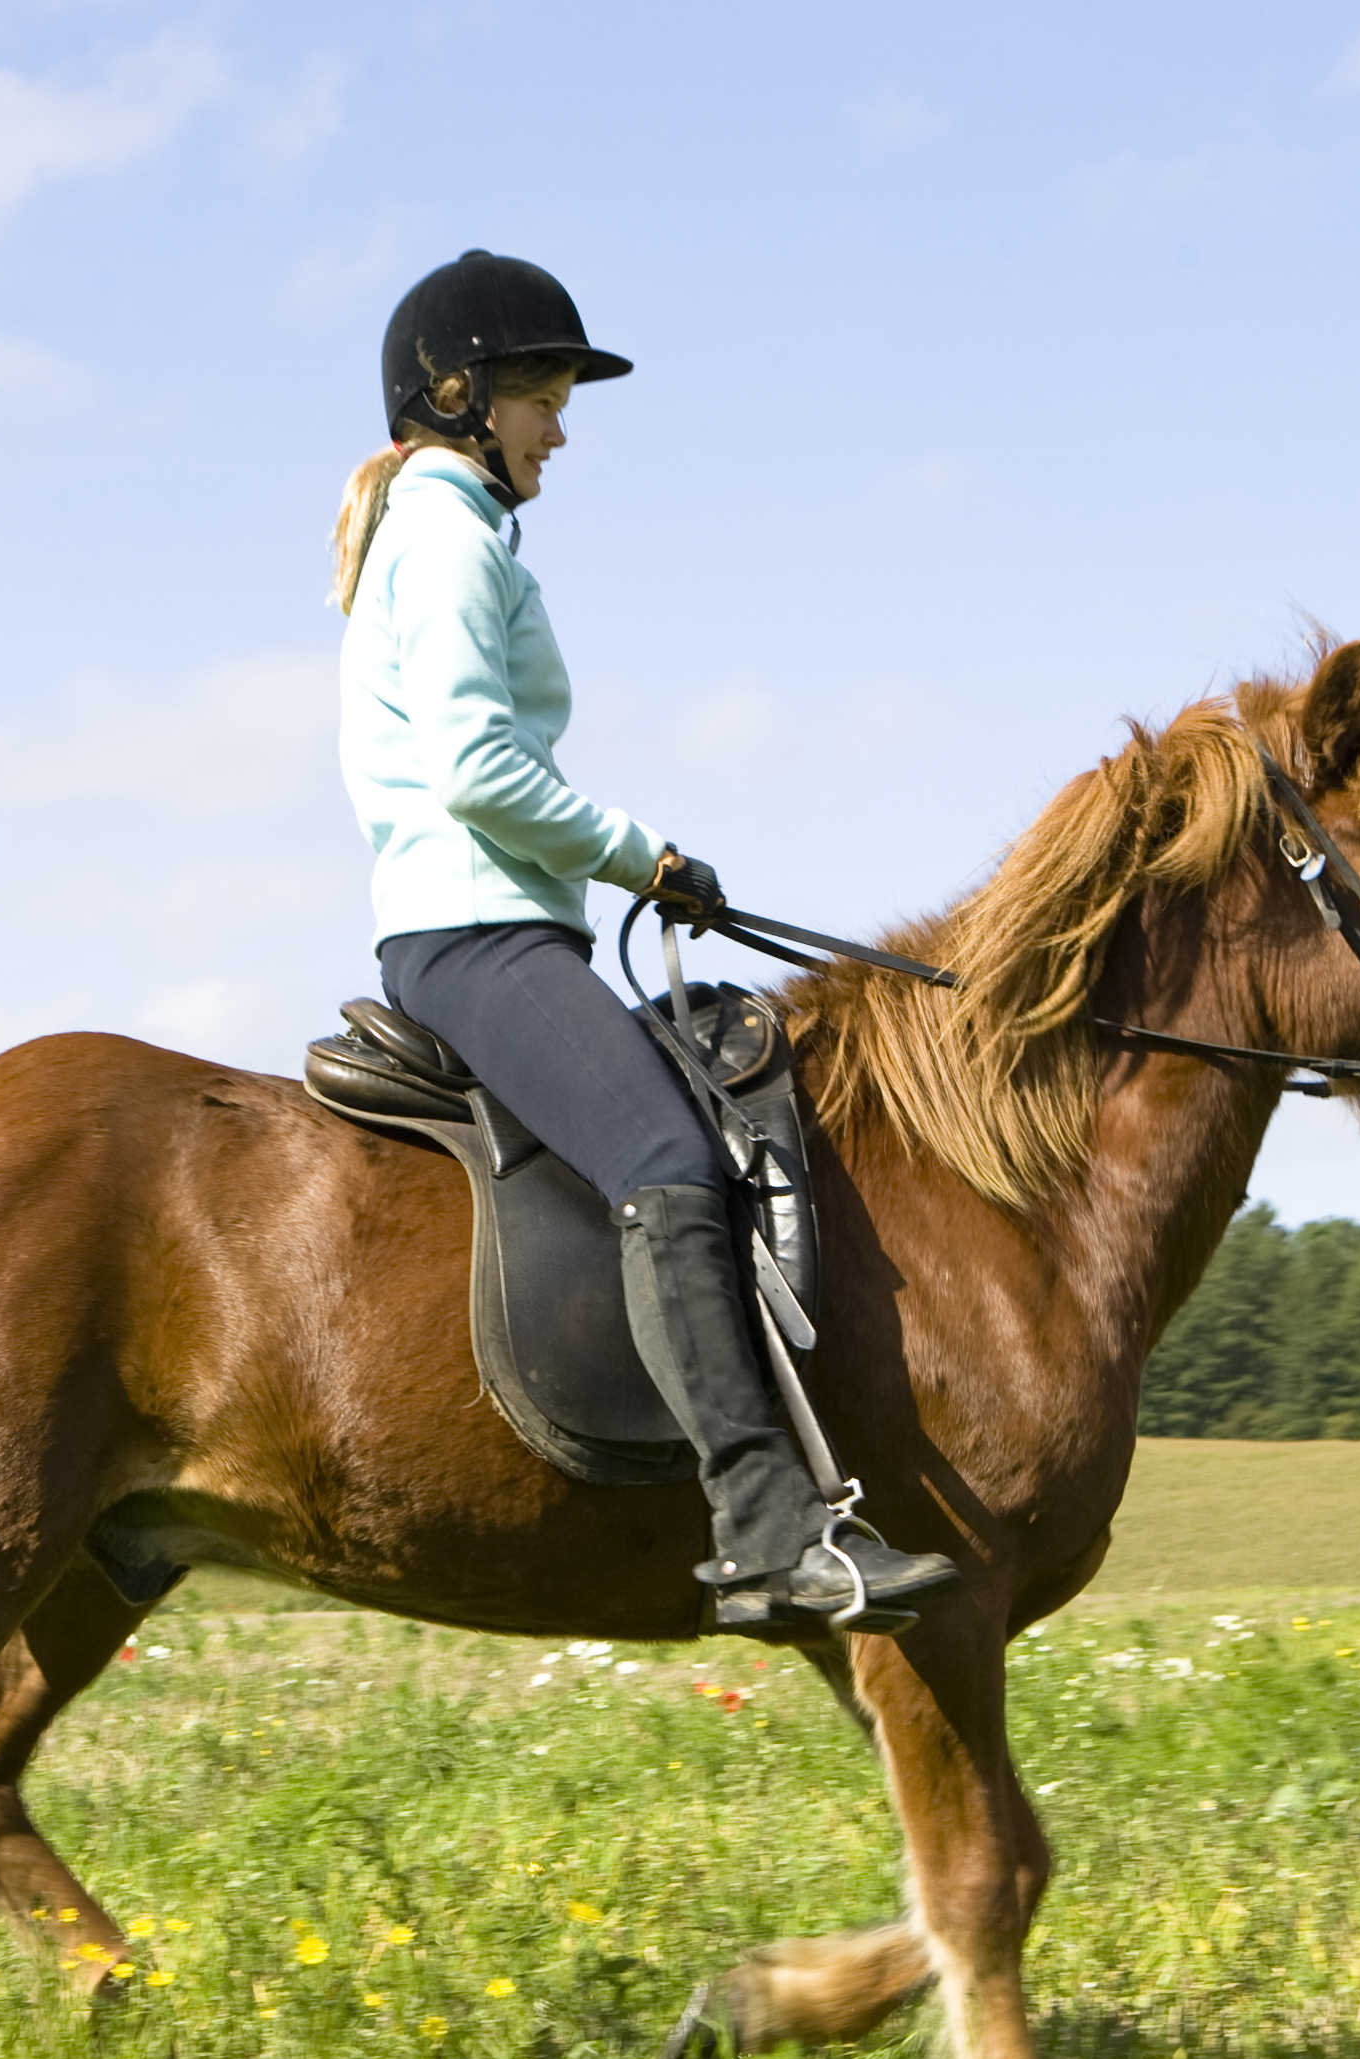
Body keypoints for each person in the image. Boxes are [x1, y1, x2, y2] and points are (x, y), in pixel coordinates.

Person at [328, 250, 956, 1637]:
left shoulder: (456, 535)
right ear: (461, 396)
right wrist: (643, 857)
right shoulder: (445, 539)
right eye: (545, 399)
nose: (560, 430)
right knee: (670, 1162)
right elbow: (479, 773)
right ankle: (766, 1529)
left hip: (498, 922)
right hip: (474, 930)